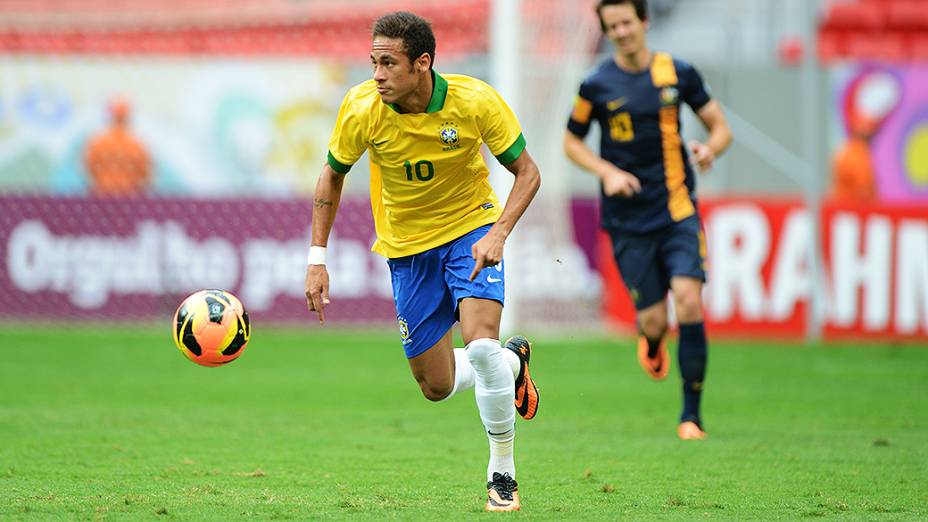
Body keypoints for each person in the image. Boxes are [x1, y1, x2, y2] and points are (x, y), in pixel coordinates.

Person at [304, 11, 541, 512]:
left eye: (388, 63)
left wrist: (498, 232)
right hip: (407, 251)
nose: (377, 74)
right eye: (373, 62)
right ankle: (513, 364)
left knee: (479, 346)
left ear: (423, 63)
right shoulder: (362, 108)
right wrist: (316, 258)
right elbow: (331, 175)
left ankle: (502, 472)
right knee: (434, 386)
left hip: (470, 233)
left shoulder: (474, 101)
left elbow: (527, 173)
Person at [564, 0, 732, 440]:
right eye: (611, 26)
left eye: (626, 22)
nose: (620, 31)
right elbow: (572, 142)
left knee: (690, 300)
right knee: (655, 320)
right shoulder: (596, 84)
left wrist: (710, 148)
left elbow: (720, 127)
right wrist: (607, 172)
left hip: (678, 210)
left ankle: (691, 416)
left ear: (644, 21)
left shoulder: (678, 73)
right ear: (605, 31)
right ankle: (653, 340)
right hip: (627, 221)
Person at [84, 98, 152, 196]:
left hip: (102, 198)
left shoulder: (98, 143)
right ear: (128, 117)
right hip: (129, 200)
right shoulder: (137, 145)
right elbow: (145, 174)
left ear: (111, 117)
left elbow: (89, 168)